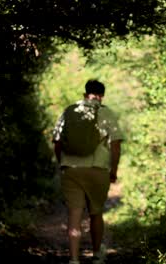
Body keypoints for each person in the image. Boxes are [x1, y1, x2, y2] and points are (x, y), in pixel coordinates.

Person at [52, 79, 123, 264]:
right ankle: (97, 255)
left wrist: (63, 163)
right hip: (97, 170)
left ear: (85, 94)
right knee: (96, 213)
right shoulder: (106, 112)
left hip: (71, 169)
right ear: (102, 96)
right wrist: (113, 170)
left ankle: (74, 259)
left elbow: (57, 142)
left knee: (74, 214)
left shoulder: (70, 111)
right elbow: (116, 145)